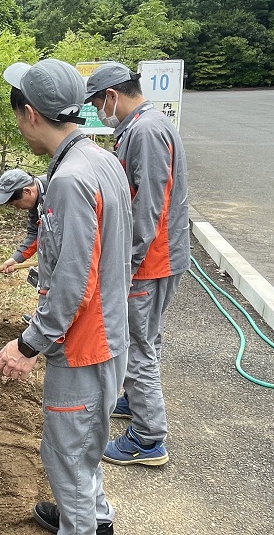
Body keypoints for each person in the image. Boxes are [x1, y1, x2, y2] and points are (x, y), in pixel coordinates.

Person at [0, 59, 132, 535]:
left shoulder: (70, 181)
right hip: (108, 331)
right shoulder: (100, 159)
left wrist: (28, 344)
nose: (18, 125)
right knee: (84, 446)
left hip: (84, 344)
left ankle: (82, 526)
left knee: (66, 455)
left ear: (30, 114)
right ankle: (95, 517)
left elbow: (73, 284)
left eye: (17, 115)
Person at [85, 61, 190, 467]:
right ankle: (136, 399)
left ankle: (147, 438)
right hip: (160, 255)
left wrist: (127, 263)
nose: (99, 112)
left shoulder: (145, 131)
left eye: (98, 103)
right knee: (147, 338)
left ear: (112, 96)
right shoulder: (146, 125)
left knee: (136, 344)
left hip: (150, 260)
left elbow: (148, 204)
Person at [0, 168, 48, 325]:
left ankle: (50, 324)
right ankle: (43, 319)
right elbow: (35, 234)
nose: (16, 208)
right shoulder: (35, 202)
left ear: (27, 191)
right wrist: (15, 259)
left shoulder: (58, 190)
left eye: (15, 203)